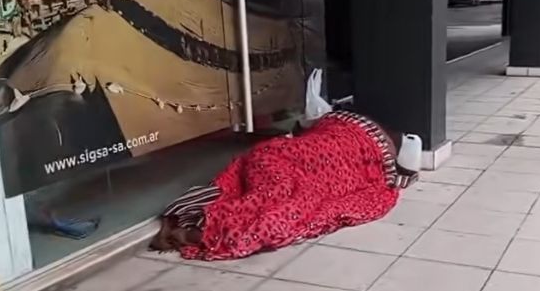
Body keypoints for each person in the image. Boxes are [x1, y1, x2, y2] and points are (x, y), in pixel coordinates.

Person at [150, 111, 420, 260]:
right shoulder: (379, 167)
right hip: (293, 159)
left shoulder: (341, 121)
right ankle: (203, 230)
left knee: (275, 194)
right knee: (291, 205)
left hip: (274, 153)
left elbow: (309, 128)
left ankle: (198, 222)